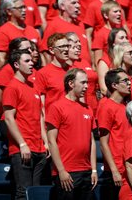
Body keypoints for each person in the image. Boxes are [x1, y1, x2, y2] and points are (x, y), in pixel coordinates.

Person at [46, 68, 98, 200]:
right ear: (71, 83)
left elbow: (91, 141)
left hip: (86, 172)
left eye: (87, 83)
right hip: (67, 172)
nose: (87, 86)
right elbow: (51, 141)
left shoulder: (88, 109)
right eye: (83, 82)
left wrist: (94, 170)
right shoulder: (57, 107)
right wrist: (61, 171)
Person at [3, 49, 47, 200]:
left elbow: (39, 116)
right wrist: (22, 144)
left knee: (36, 193)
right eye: (26, 61)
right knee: (24, 192)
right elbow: (9, 118)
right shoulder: (12, 87)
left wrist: (45, 141)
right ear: (16, 64)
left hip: (38, 147)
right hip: (22, 149)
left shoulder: (34, 86)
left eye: (31, 60)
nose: (31, 63)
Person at [97, 68, 131, 200]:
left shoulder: (125, 107)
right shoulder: (107, 107)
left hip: (128, 166)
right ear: (114, 85)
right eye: (125, 81)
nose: (129, 84)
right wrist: (114, 170)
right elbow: (103, 143)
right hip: (116, 169)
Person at [35, 33, 71, 113]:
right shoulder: (43, 73)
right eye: (62, 47)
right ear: (51, 50)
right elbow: (41, 105)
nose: (66, 49)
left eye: (67, 46)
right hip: (53, 121)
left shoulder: (73, 70)